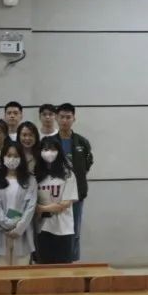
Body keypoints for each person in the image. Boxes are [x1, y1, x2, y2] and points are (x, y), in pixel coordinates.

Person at [0, 142, 37, 266]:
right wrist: (7, 224)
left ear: (21, 158)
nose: (12, 159)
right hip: (1, 231)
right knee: (0, 273)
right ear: (3, 157)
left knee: (21, 273)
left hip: (22, 232)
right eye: (9, 155)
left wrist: (19, 228)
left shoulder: (30, 180)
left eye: (16, 156)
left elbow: (31, 207)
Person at [56, 103, 93, 261]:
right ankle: (55, 260)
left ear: (74, 119)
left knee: (74, 229)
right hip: (55, 194)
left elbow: (87, 164)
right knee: (56, 229)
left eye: (68, 117)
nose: (65, 120)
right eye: (62, 117)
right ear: (57, 118)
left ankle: (72, 261)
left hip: (76, 193)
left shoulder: (82, 142)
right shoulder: (50, 141)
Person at [35, 137, 78, 263]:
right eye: (45, 149)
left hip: (63, 228)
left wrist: (41, 208)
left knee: (63, 267)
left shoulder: (68, 174)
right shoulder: (36, 174)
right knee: (44, 267)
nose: (49, 152)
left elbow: (65, 204)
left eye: (53, 149)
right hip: (42, 227)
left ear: (59, 151)